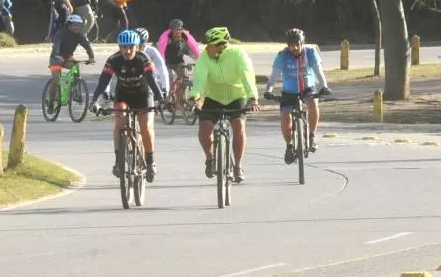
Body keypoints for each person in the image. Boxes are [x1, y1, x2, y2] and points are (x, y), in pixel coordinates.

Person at [186, 26, 261, 183]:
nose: (206, 48)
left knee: (239, 125)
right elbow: (199, 78)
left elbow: (246, 75)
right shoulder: (205, 57)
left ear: (221, 45)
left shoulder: (238, 54)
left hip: (236, 95)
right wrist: (194, 97)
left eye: (210, 45)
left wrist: (252, 98)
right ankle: (210, 158)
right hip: (214, 96)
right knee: (205, 127)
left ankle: (238, 166)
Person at [91, 30, 165, 182]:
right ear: (119, 47)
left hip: (143, 94)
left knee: (145, 126)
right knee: (119, 122)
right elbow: (104, 80)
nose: (128, 50)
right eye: (124, 47)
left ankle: (150, 162)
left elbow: (151, 80)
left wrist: (160, 98)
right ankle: (119, 161)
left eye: (131, 47)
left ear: (137, 47)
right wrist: (94, 100)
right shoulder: (114, 59)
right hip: (123, 94)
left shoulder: (143, 58)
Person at [263, 28, 333, 164]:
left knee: (313, 104)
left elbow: (319, 72)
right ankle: (289, 146)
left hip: (307, 87)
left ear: (302, 43)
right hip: (289, 90)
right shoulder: (282, 55)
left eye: (296, 44)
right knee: (285, 115)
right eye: (290, 45)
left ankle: (312, 136)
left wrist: (324, 86)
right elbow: (274, 76)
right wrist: (269, 90)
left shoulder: (311, 52)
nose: (293, 48)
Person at [47, 13, 96, 105]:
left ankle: (77, 93)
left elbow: (86, 45)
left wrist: (91, 57)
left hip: (67, 58)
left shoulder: (79, 35)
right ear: (69, 25)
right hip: (56, 58)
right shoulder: (60, 33)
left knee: (76, 69)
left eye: (78, 26)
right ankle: (51, 101)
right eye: (75, 25)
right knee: (56, 80)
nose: (77, 28)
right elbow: (56, 45)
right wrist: (57, 55)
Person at [133, 27, 170, 100]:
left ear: (145, 42)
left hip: (148, 85)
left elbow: (162, 68)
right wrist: (108, 91)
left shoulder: (152, 51)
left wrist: (165, 88)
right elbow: (115, 73)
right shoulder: (128, 52)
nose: (137, 48)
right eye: (135, 45)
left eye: (140, 45)